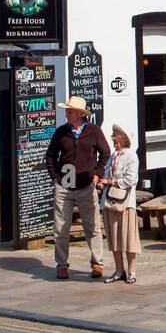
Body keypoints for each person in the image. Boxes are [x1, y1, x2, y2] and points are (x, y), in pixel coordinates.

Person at [45, 95, 110, 280]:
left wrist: (97, 174)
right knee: (61, 228)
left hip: (85, 185)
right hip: (65, 184)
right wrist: (55, 177)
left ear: (80, 114)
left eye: (70, 111)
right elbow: (50, 156)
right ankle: (62, 265)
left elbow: (105, 153)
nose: (67, 113)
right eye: (67, 110)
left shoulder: (93, 131)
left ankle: (97, 263)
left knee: (93, 227)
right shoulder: (61, 133)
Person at [96, 125, 140, 284]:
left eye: (115, 135)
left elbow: (131, 180)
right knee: (114, 238)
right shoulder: (113, 155)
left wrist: (111, 182)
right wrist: (103, 183)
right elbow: (107, 172)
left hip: (126, 203)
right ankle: (119, 270)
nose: (112, 137)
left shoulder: (131, 156)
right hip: (110, 201)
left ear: (122, 136)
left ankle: (132, 271)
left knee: (128, 238)